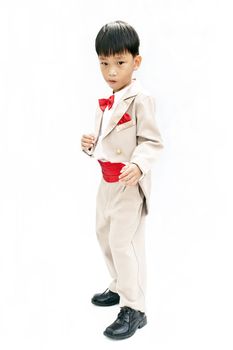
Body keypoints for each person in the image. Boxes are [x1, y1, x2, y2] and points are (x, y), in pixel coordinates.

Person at [81, 20, 163, 340]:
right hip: (107, 181)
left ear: (136, 61)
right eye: (104, 63)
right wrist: (91, 143)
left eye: (120, 62)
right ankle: (119, 284)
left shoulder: (141, 99)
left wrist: (139, 166)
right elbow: (108, 138)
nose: (111, 71)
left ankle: (135, 307)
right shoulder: (109, 99)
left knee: (123, 242)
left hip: (129, 183)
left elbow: (152, 142)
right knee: (103, 234)